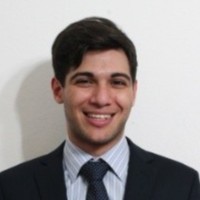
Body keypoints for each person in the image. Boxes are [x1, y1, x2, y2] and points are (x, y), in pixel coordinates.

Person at [0, 17, 199, 200]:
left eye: (117, 82)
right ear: (58, 90)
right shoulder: (10, 188)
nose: (101, 99)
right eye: (85, 81)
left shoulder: (182, 185)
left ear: (133, 92)